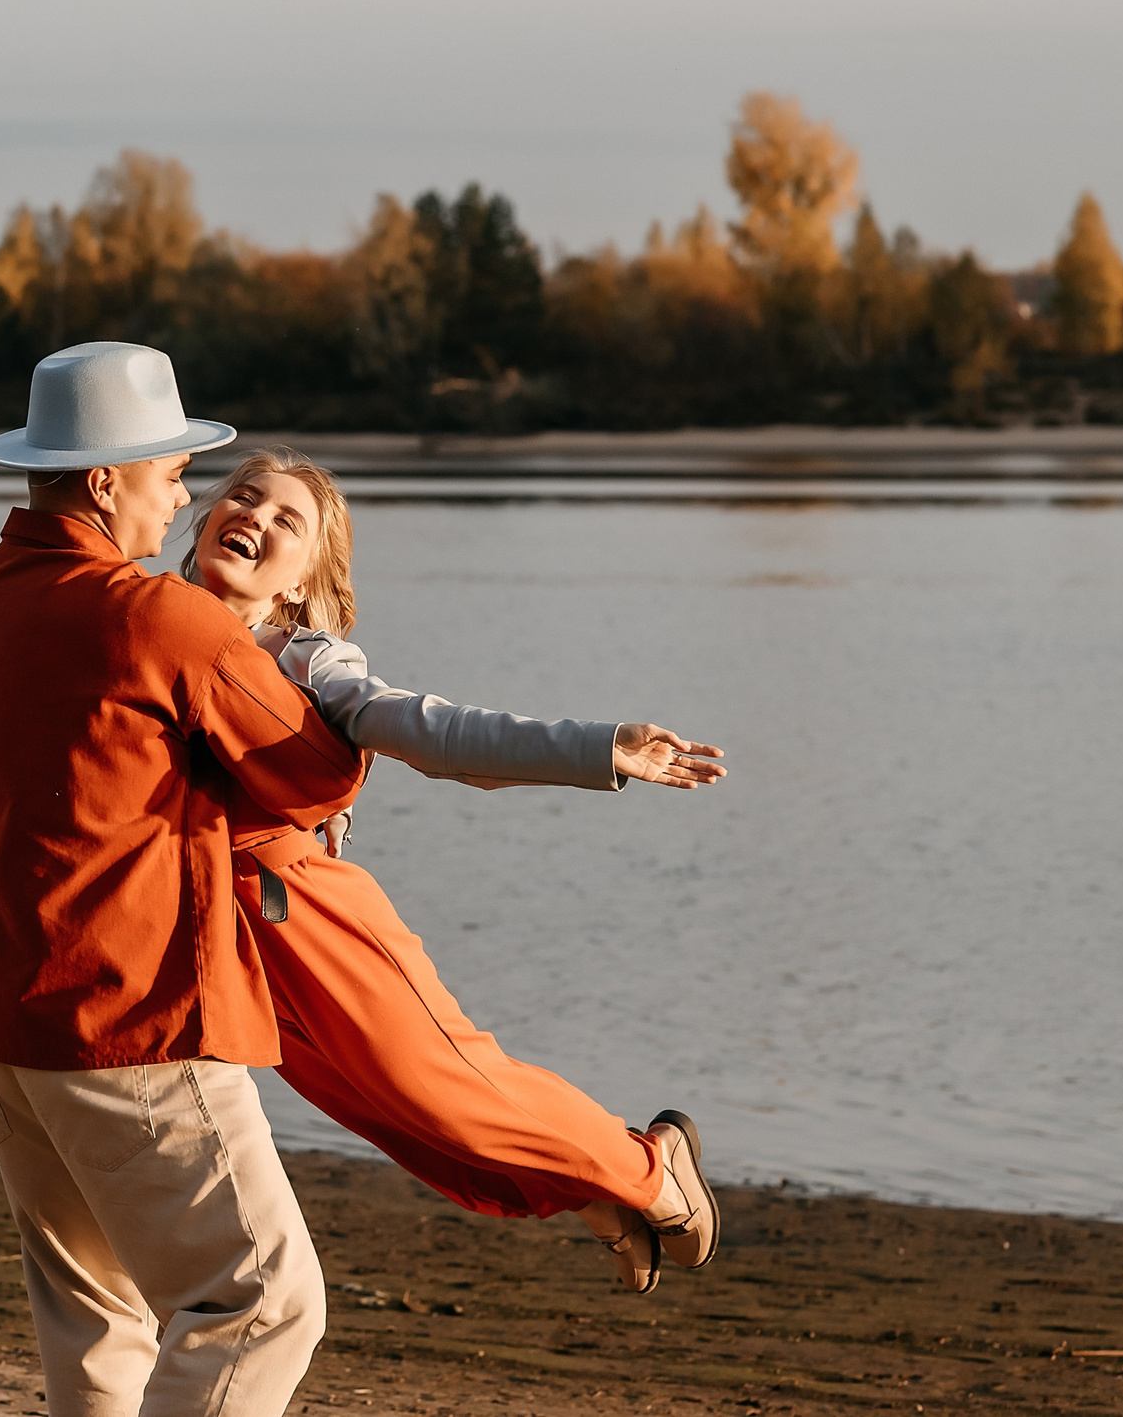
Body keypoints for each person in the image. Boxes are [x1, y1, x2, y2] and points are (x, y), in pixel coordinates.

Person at [0, 343, 365, 1417]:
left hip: (0, 1019)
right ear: (105, 479)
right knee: (260, 1303)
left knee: (98, 1324)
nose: (183, 494)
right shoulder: (152, 615)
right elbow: (308, 769)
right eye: (171, 469)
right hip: (124, 1021)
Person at [179, 447, 726, 1294]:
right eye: (244, 496)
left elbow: (435, 733)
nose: (253, 515)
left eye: (286, 518)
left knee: (451, 1091)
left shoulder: (307, 660)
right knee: (393, 1119)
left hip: (308, 915)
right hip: (222, 936)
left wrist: (597, 748)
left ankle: (650, 1166)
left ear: (299, 580)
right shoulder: (150, 619)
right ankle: (598, 1195)